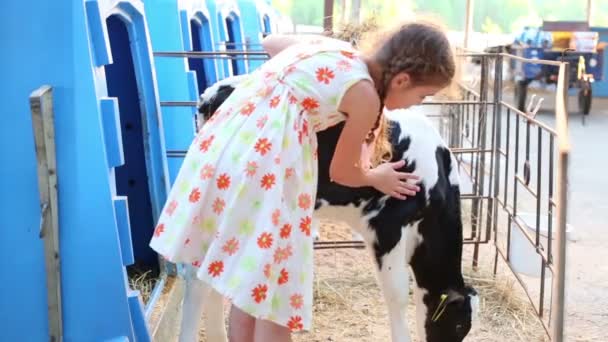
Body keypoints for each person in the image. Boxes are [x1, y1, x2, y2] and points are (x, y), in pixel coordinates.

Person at [149, 20, 456, 342]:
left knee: (252, 280)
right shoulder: (364, 97)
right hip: (267, 170)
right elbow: (342, 172)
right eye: (422, 96)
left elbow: (272, 43)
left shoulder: (335, 51)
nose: (416, 104)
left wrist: (310, 53)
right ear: (402, 79)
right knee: (276, 291)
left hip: (227, 153)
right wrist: (375, 177)